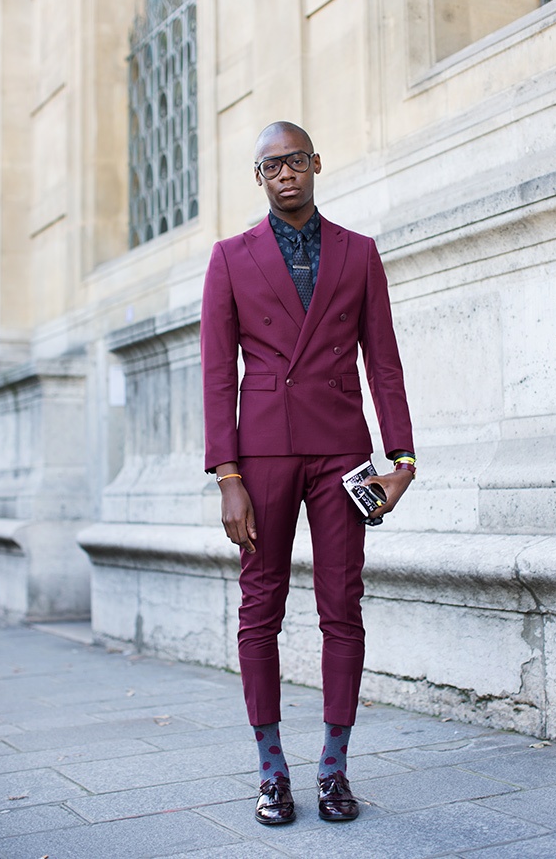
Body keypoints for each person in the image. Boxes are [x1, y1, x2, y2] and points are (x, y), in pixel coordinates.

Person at [201, 121, 415, 825]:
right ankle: (271, 770)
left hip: (342, 454)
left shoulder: (359, 253)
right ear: (259, 179)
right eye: (270, 166)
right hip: (261, 455)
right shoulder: (230, 258)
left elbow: (383, 361)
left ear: (315, 163)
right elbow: (215, 373)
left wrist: (402, 458)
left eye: (295, 160)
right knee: (259, 606)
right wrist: (226, 472)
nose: (285, 174)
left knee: (341, 606)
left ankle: (333, 769)